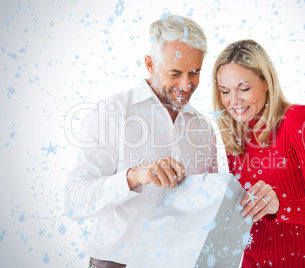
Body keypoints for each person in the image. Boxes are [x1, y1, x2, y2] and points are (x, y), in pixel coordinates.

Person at [65, 14, 217, 268]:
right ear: (150, 64)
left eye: (195, 72)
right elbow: (75, 201)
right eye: (175, 73)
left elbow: (208, 205)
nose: (186, 84)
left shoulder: (202, 128)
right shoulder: (111, 113)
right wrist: (133, 177)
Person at [212, 39, 305, 267]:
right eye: (225, 91)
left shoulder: (298, 120)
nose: (234, 101)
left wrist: (279, 205)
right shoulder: (235, 134)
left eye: (244, 88)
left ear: (266, 82)